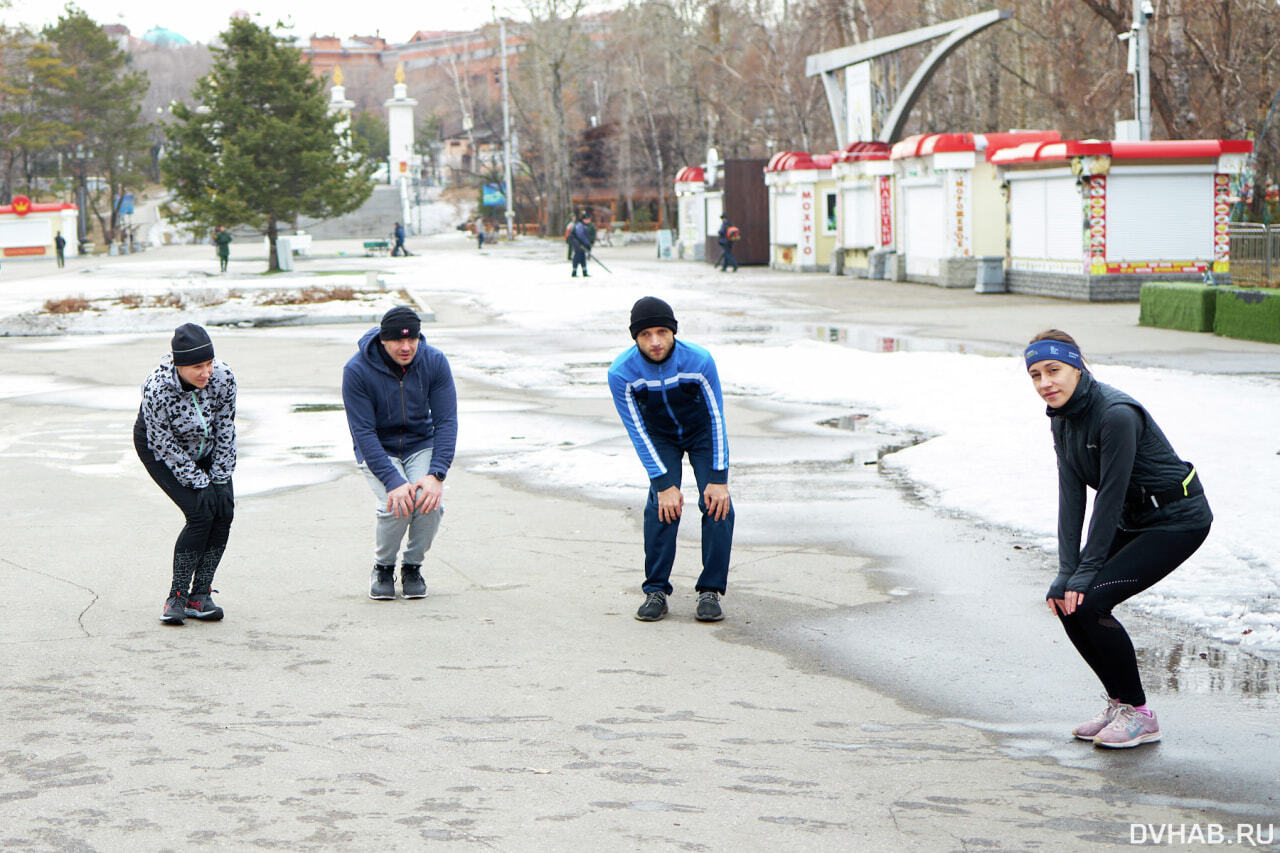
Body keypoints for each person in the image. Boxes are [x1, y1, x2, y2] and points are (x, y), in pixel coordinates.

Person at [1027, 330, 1212, 749]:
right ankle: (1120, 703)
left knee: (1091, 601)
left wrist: (1085, 572)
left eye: (1053, 370)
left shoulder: (1116, 414)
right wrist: (1066, 571)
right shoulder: (1063, 419)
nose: (1044, 383)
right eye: (1035, 375)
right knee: (1067, 602)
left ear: (1077, 365)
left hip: (1177, 520)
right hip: (1134, 518)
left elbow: (1107, 498)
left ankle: (1141, 715)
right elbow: (1071, 496)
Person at [607, 297, 734, 623]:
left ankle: (710, 590)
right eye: (645, 334)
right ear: (635, 338)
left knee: (718, 504)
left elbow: (717, 418)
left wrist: (719, 479)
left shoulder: (699, 361)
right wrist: (664, 484)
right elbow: (637, 431)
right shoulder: (622, 373)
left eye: (662, 332)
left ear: (673, 331)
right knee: (662, 505)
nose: (655, 341)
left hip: (702, 433)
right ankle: (656, 590)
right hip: (660, 437)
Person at [342, 306, 458, 600]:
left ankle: (412, 567)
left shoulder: (434, 362)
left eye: (412, 340)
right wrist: (393, 481)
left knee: (428, 501)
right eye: (397, 341)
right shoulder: (357, 370)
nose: (406, 347)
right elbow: (363, 433)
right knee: (398, 502)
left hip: (421, 444)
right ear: (383, 339)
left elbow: (446, 421)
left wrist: (437, 473)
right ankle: (383, 567)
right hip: (379, 447)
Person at [135, 323, 237, 625]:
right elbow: (163, 443)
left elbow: (226, 427)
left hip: (207, 449)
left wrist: (218, 477)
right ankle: (176, 597)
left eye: (209, 363)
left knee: (223, 511)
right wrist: (197, 482)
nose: (206, 372)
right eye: (196, 367)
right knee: (200, 513)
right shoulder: (156, 387)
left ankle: (200, 595)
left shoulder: (224, 377)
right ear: (179, 365)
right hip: (160, 449)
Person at [569, 213, 594, 277]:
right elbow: (581, 236)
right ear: (584, 220)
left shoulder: (585, 225)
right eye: (587, 219)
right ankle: (574, 272)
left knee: (583, 257)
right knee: (577, 257)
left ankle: (584, 272)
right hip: (577, 243)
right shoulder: (580, 225)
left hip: (581, 243)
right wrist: (587, 243)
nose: (589, 221)